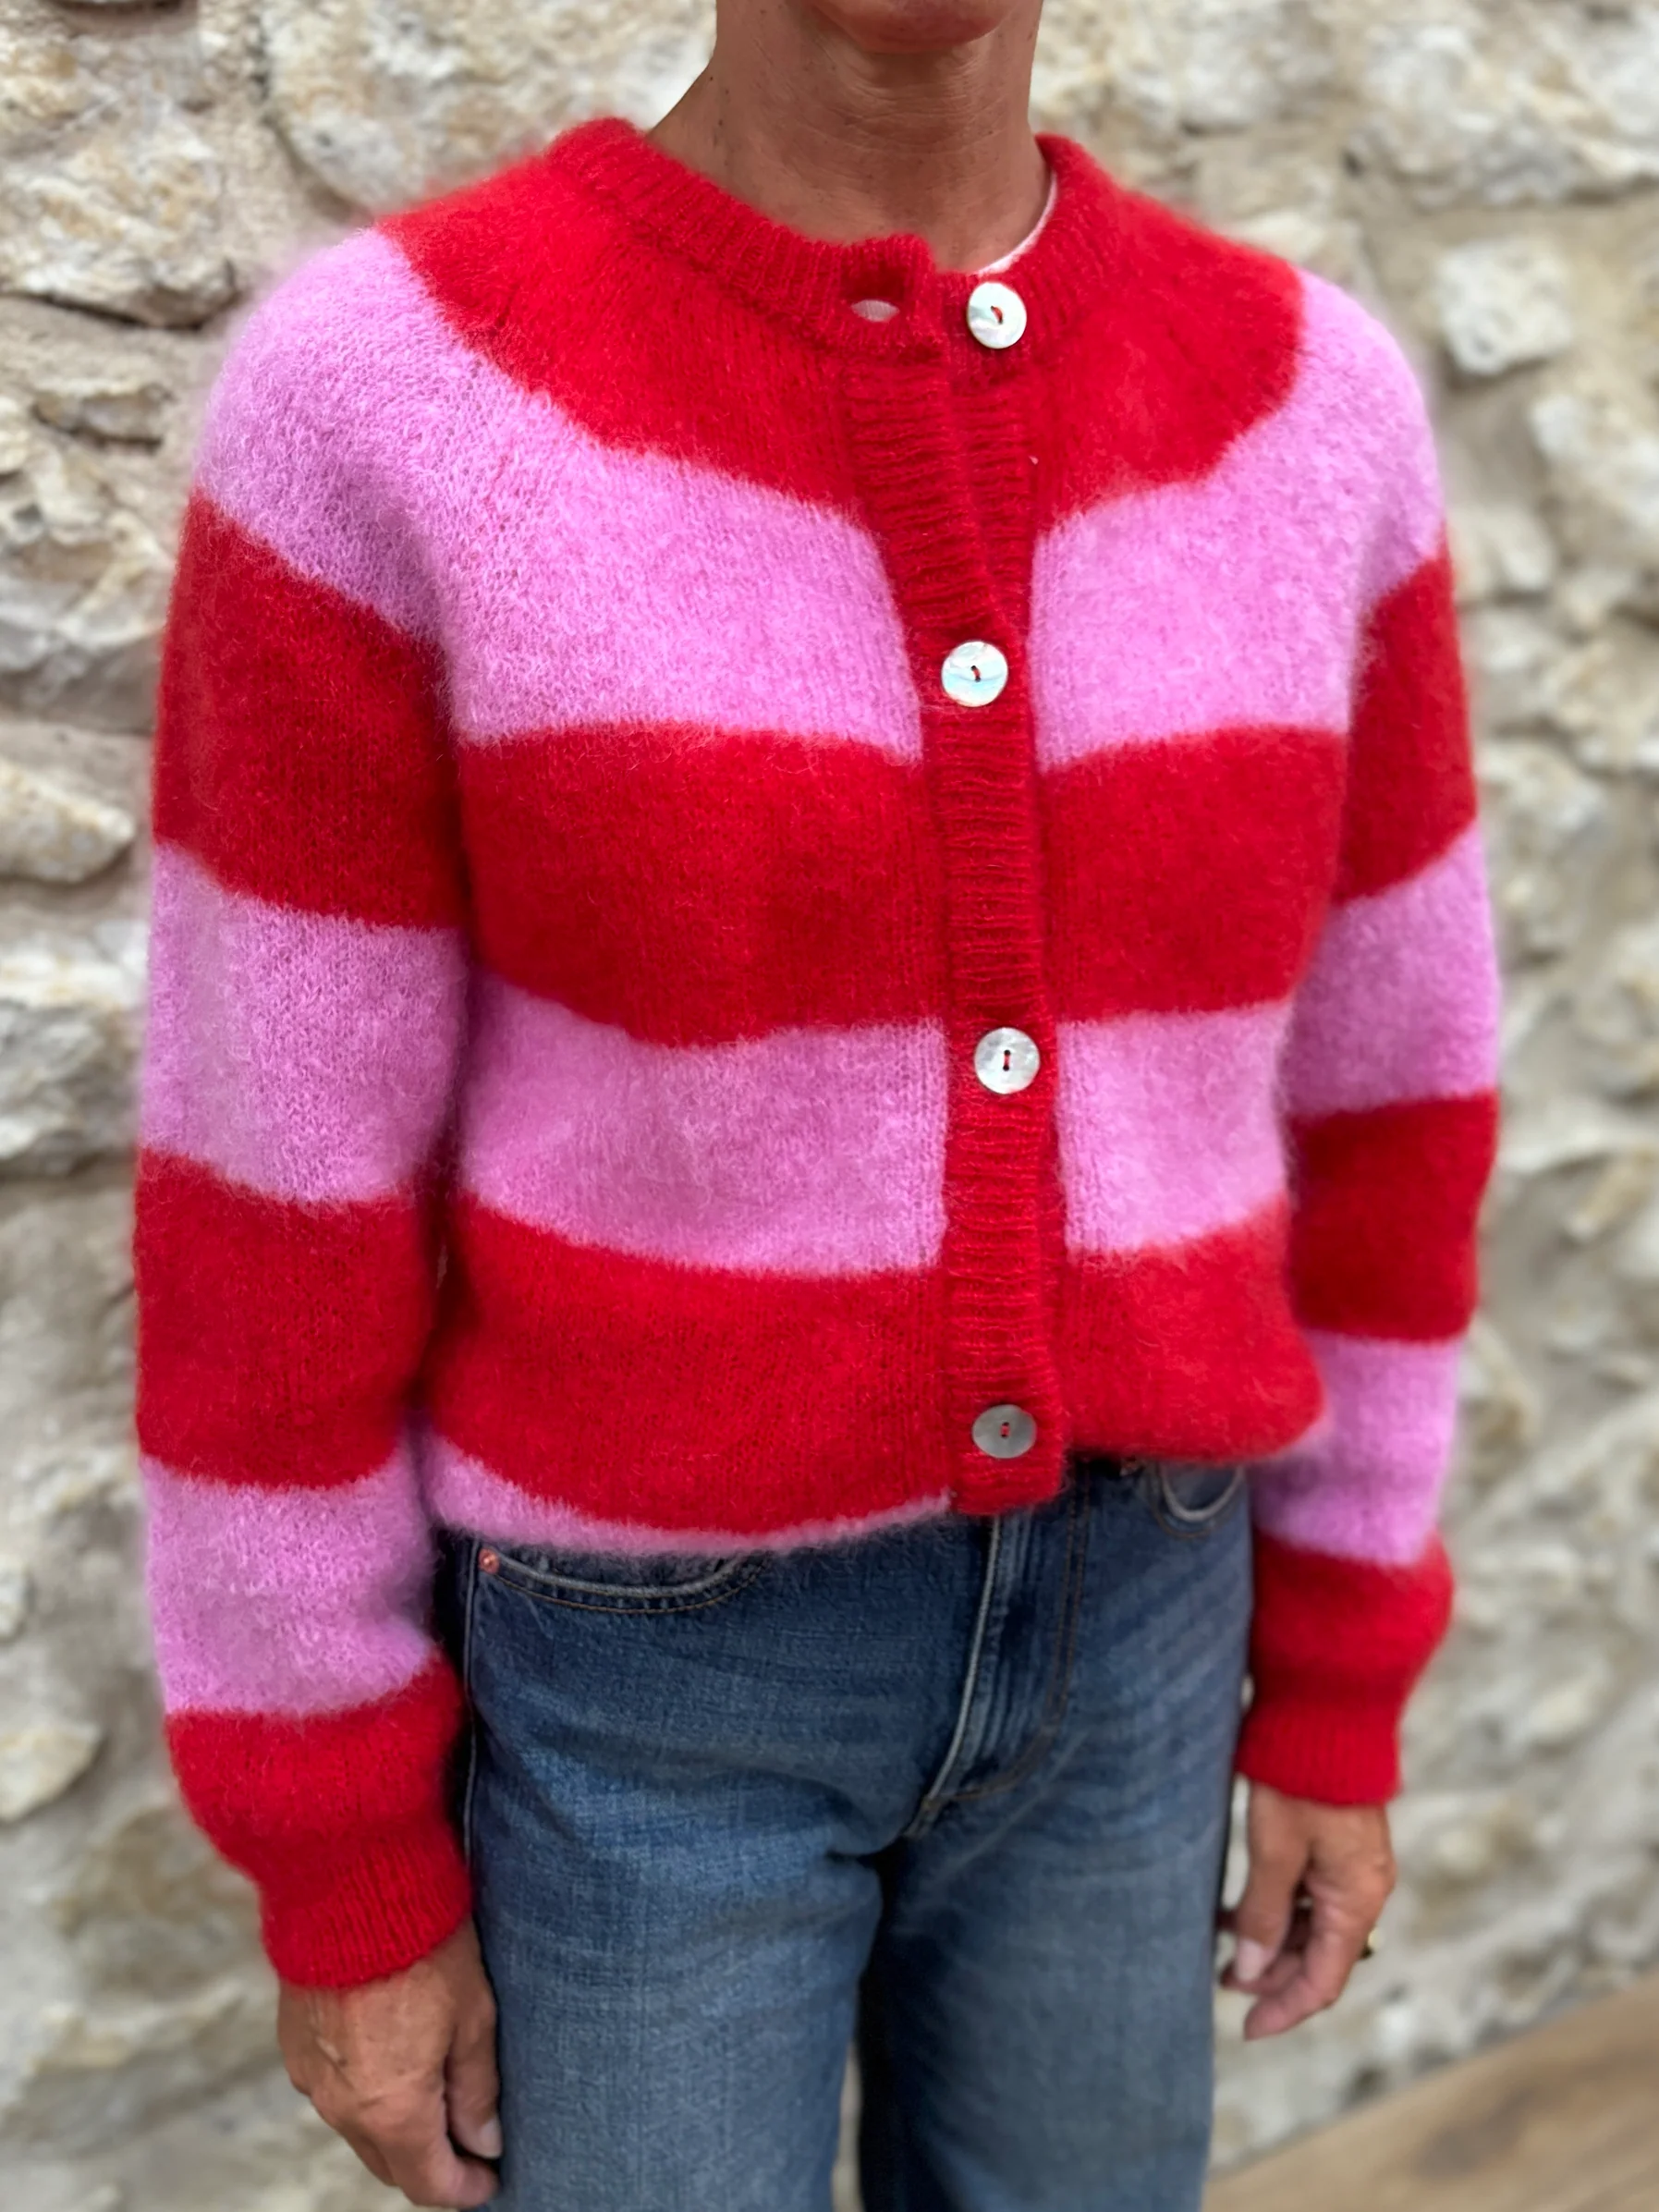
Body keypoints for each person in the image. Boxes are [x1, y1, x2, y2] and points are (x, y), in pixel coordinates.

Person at [132, 0, 1501, 2205]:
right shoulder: (391, 394)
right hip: (638, 1689)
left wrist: (1341, 1670)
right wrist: (341, 1848)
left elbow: (1396, 1112)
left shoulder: (1304, 410)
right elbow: (271, 1208)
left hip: (1147, 1628)